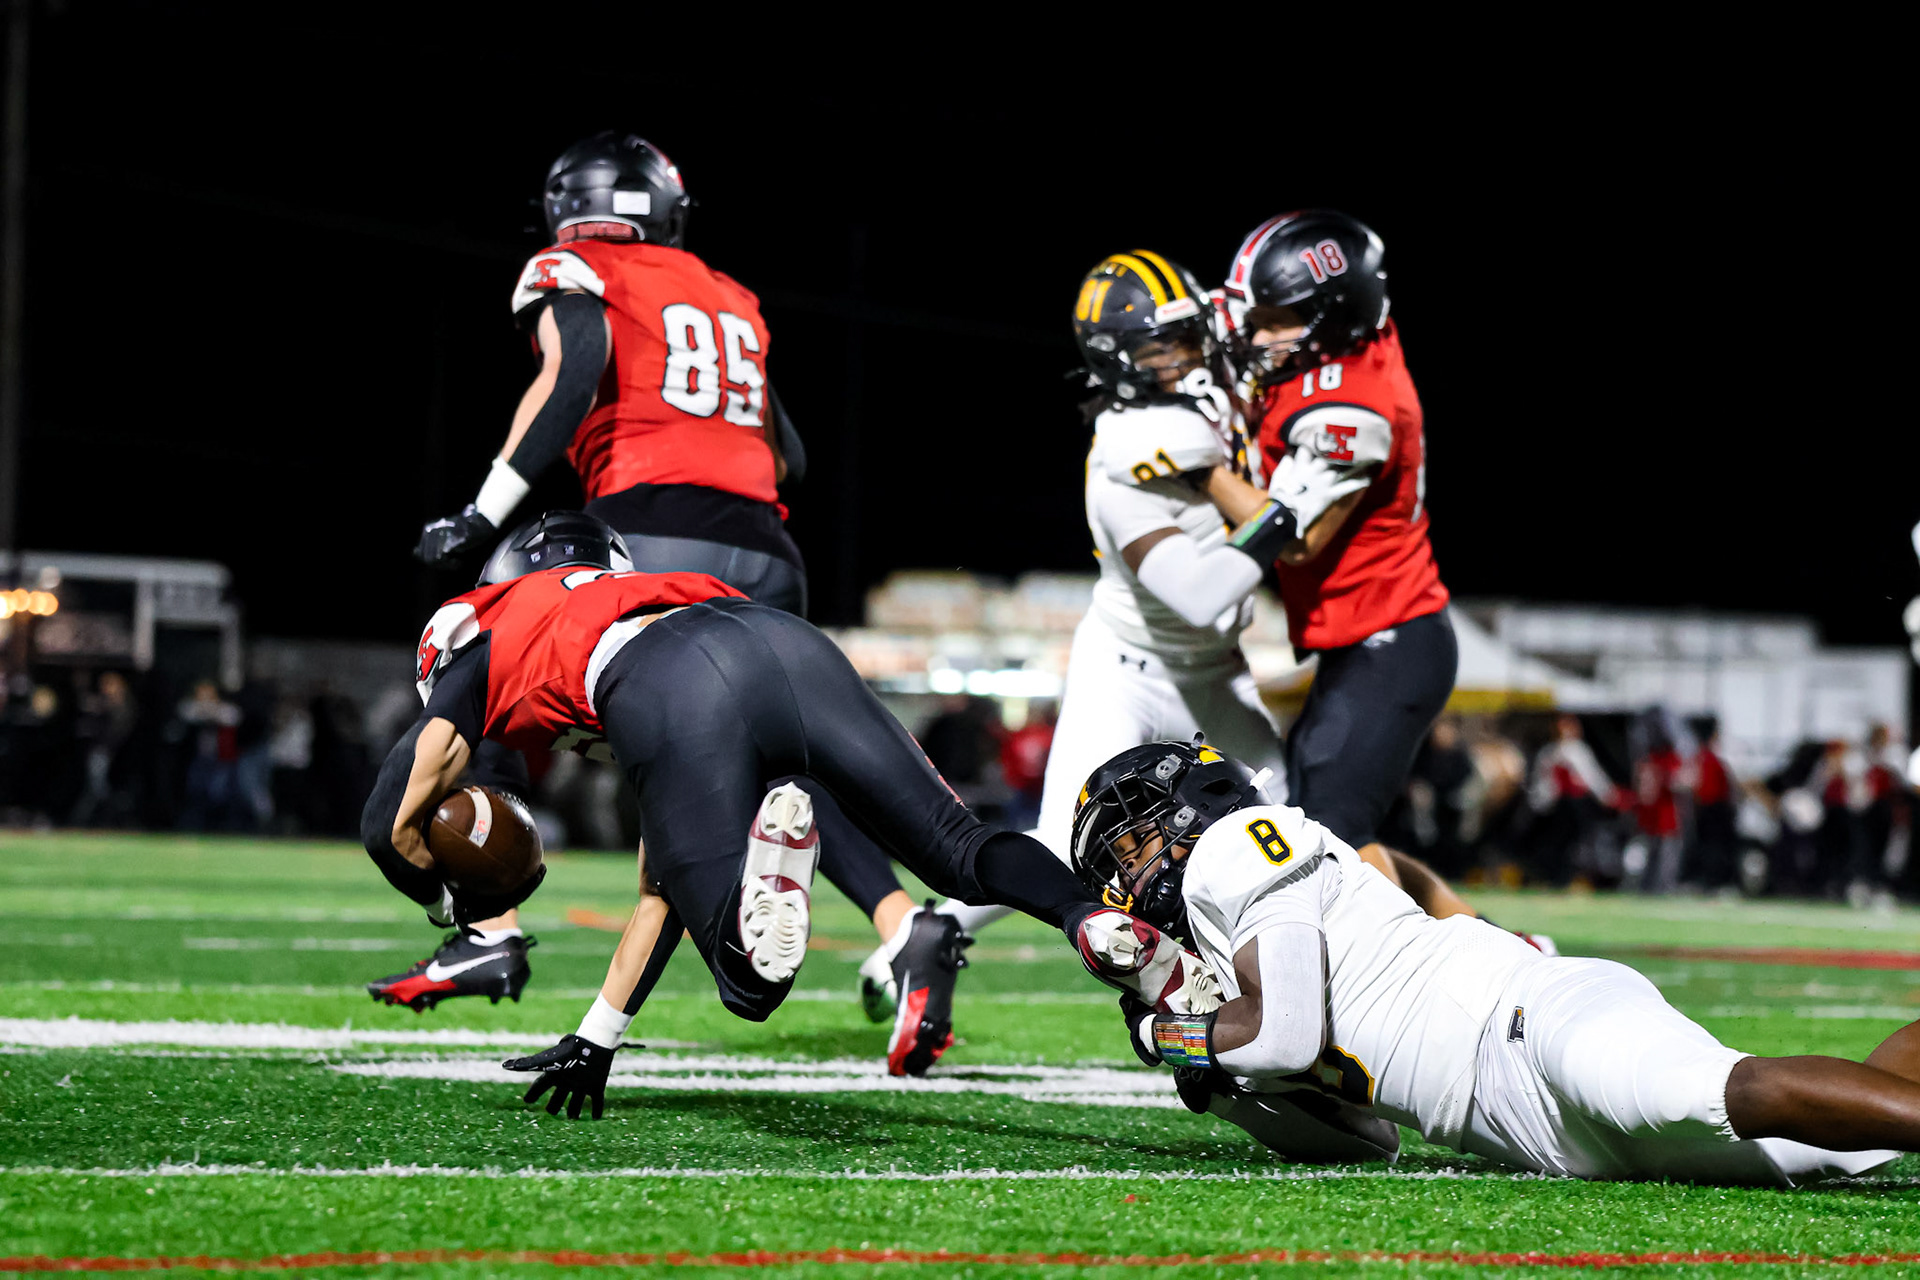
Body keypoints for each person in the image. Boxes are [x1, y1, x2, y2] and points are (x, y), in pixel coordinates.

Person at [390, 133, 940, 1056]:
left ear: (570, 208)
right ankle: (901, 925)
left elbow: (572, 373)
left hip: (647, 531)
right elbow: (790, 457)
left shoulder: (577, 266)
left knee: (496, 666)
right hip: (765, 543)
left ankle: (490, 925)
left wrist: (484, 510)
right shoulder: (728, 294)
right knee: (786, 757)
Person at [360, 512, 1134, 1106]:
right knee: (956, 846)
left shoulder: (485, 623)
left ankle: (768, 871)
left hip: (669, 682)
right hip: (780, 637)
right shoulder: (627, 596)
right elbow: (657, 890)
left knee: (751, 985)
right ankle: (1095, 917)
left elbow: (386, 824)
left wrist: (454, 906)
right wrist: (597, 1038)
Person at [1073, 740, 1917, 1184]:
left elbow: (1285, 1036)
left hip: (1523, 1018)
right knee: (1831, 1151)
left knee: (1712, 1091)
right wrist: (1214, 1078)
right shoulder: (1223, 964)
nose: (1125, 876)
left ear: (1191, 805)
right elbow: (1363, 1142)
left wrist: (1166, 1037)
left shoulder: (1236, 846)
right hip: (1524, 1131)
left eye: (1130, 843)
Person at [857, 250, 1295, 1002]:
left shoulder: (1203, 398)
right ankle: (925, 935)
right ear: (1120, 361)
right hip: (1129, 665)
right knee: (1067, 840)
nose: (1187, 355)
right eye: (1163, 345)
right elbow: (1200, 595)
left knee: (1281, 819)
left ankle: (1277, 982)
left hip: (1213, 666)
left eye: (1188, 335)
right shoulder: (1126, 450)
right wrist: (1280, 520)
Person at [1225, 211, 1474, 920]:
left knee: (1330, 837)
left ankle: (1433, 968)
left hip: (1391, 641)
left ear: (1332, 320)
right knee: (1329, 827)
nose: (1257, 335)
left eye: (1275, 321)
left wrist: (1203, 470)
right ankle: (1501, 945)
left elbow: (1294, 539)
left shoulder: (1353, 407)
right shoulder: (1344, 343)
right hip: (1367, 641)